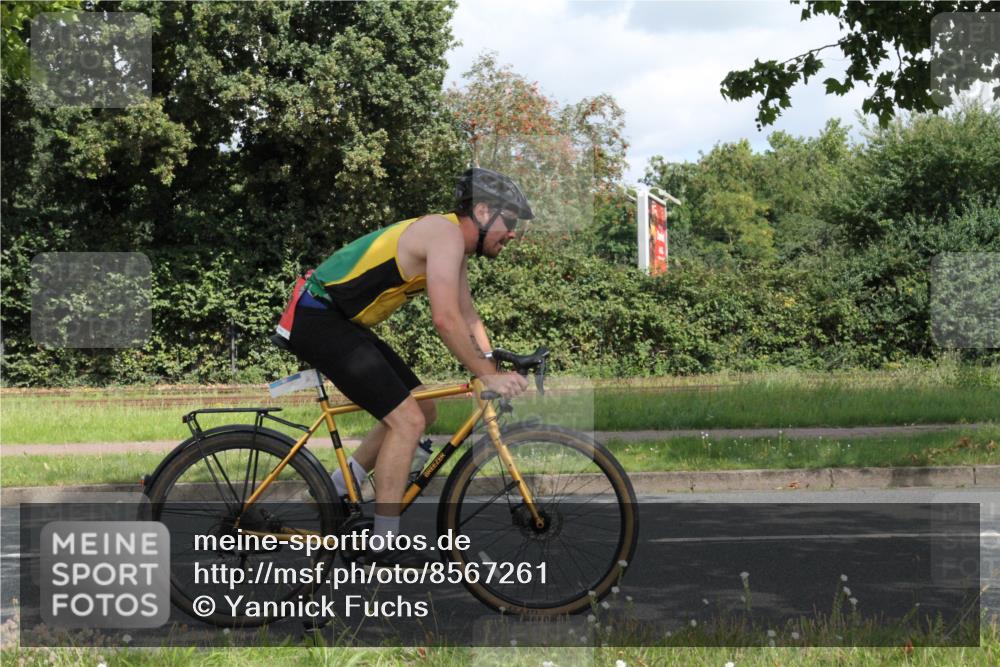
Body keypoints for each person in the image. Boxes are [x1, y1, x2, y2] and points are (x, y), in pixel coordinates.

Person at [285, 167, 533, 567]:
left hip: (341, 320)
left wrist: (491, 366)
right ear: (484, 210)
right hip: (317, 315)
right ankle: (383, 542)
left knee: (423, 408)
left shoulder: (455, 246)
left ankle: (336, 486)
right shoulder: (444, 234)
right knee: (408, 421)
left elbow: (468, 317)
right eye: (510, 221)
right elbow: (445, 319)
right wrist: (487, 375)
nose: (513, 233)